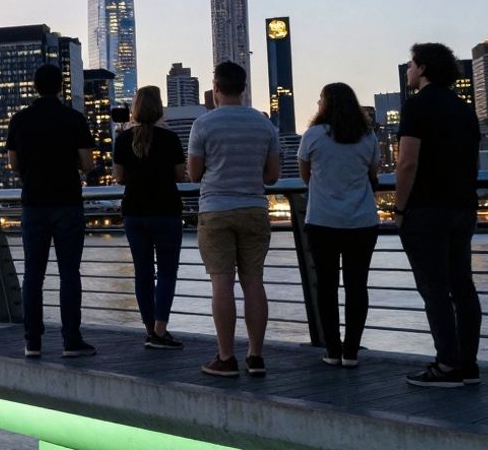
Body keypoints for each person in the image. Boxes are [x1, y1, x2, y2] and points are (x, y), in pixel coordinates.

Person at [396, 43, 483, 387]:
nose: (407, 69)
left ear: (424, 69)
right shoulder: (465, 110)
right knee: (463, 286)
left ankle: (447, 365)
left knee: (434, 289)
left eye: (411, 64)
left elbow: (407, 162)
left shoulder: (416, 106)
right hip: (462, 207)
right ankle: (468, 365)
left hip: (426, 210)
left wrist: (399, 209)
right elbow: (472, 162)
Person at [187, 61, 280, 378]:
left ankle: (226, 358)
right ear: (243, 88)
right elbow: (272, 176)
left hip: (215, 209)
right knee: (254, 281)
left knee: (221, 283)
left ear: (216, 88)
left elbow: (195, 173)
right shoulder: (264, 125)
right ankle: (256, 356)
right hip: (254, 207)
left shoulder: (203, 125)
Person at [6, 63, 97, 359]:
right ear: (60, 87)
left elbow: (14, 163)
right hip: (68, 203)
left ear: (35, 86)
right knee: (69, 272)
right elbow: (87, 164)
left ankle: (32, 341)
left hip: (34, 203)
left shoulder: (19, 120)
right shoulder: (74, 119)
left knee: (34, 274)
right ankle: (71, 340)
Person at [298, 82, 381, 367]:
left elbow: (305, 176)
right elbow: (373, 173)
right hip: (362, 221)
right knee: (358, 286)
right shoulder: (367, 136)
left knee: (327, 286)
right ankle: (352, 352)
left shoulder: (312, 136)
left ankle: (332, 350)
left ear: (326, 104)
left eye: (319, 100)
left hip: (323, 220)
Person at [114, 86, 188, 350]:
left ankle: (148, 329)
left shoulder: (122, 140)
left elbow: (119, 177)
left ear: (135, 108)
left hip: (134, 211)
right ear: (158, 108)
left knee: (143, 273)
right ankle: (160, 330)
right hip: (166, 211)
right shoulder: (170, 139)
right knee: (167, 271)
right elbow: (181, 175)